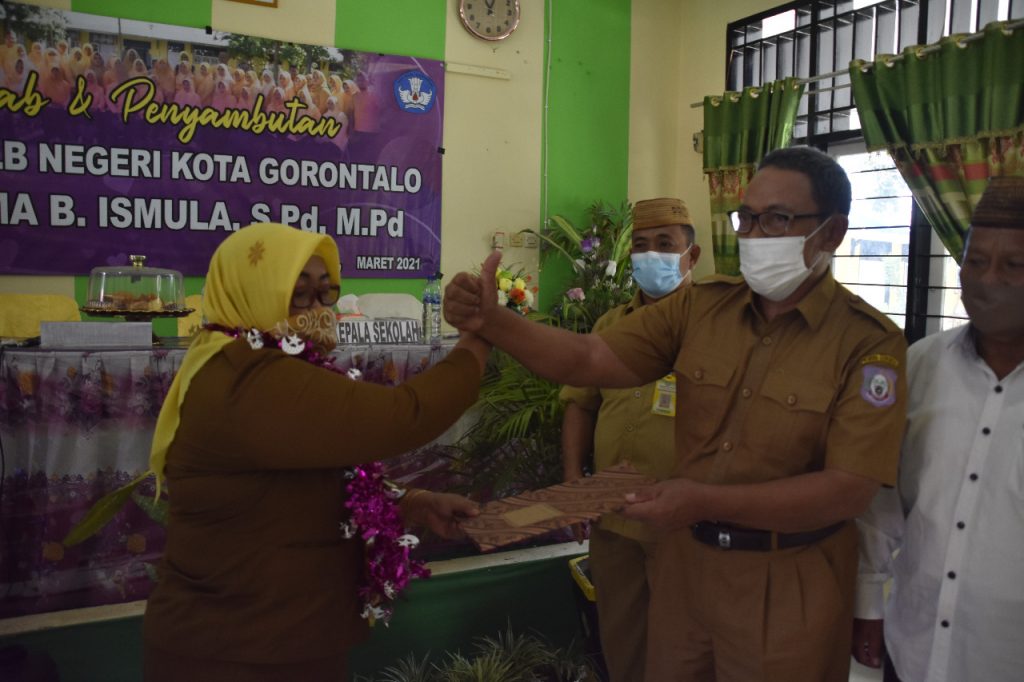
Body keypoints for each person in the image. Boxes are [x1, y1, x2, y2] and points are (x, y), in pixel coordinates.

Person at [444, 146, 907, 681]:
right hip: (686, 571)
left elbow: (849, 489)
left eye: (777, 219)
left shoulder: (869, 344)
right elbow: (591, 357)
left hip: (787, 582)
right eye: (747, 218)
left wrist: (702, 500)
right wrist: (494, 321)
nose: (755, 235)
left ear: (831, 233)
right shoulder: (701, 307)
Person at [142, 223, 491, 680]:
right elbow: (403, 415)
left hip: (281, 637)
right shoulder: (247, 377)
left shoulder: (253, 364)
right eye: (300, 295)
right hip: (236, 651)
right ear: (250, 291)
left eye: (327, 294)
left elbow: (313, 473)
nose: (319, 311)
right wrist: (479, 340)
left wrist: (413, 504)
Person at [851, 175, 1024, 682]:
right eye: (975, 261)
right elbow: (883, 499)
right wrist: (868, 606)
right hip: (914, 642)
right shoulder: (919, 365)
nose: (989, 279)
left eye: (1014, 265)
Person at [560, 197, 700, 681]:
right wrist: (575, 481)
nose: (650, 256)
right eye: (640, 246)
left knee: (683, 645)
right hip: (612, 514)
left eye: (665, 245)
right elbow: (580, 403)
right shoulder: (609, 326)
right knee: (622, 638)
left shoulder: (714, 329)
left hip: (683, 520)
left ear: (692, 257)